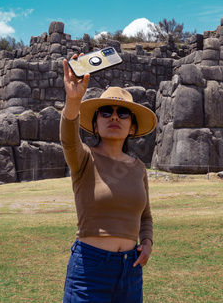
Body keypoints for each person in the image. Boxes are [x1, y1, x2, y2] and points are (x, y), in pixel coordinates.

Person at [60, 53, 157, 303]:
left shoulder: (138, 168)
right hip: (89, 270)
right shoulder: (83, 159)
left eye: (123, 113)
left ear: (132, 127)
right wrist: (73, 100)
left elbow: (145, 215)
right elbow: (69, 138)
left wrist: (146, 243)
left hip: (130, 272)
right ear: (95, 123)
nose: (114, 117)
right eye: (106, 111)